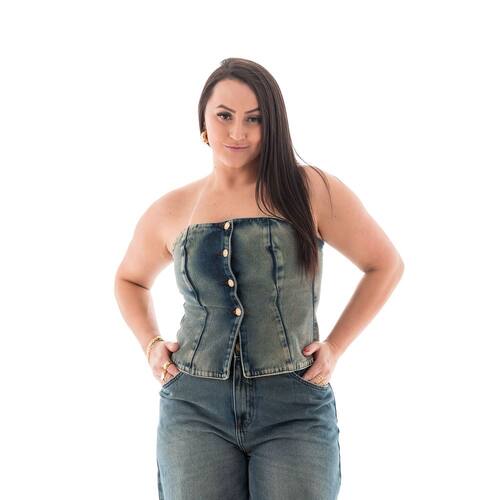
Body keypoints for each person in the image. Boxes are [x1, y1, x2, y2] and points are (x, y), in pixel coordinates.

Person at [114, 57, 404, 500]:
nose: (238, 132)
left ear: (274, 125)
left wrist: (336, 346)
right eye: (224, 116)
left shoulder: (310, 189)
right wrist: (151, 343)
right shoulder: (171, 209)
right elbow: (130, 280)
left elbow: (385, 264)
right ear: (203, 121)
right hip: (193, 407)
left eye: (255, 119)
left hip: (294, 406)